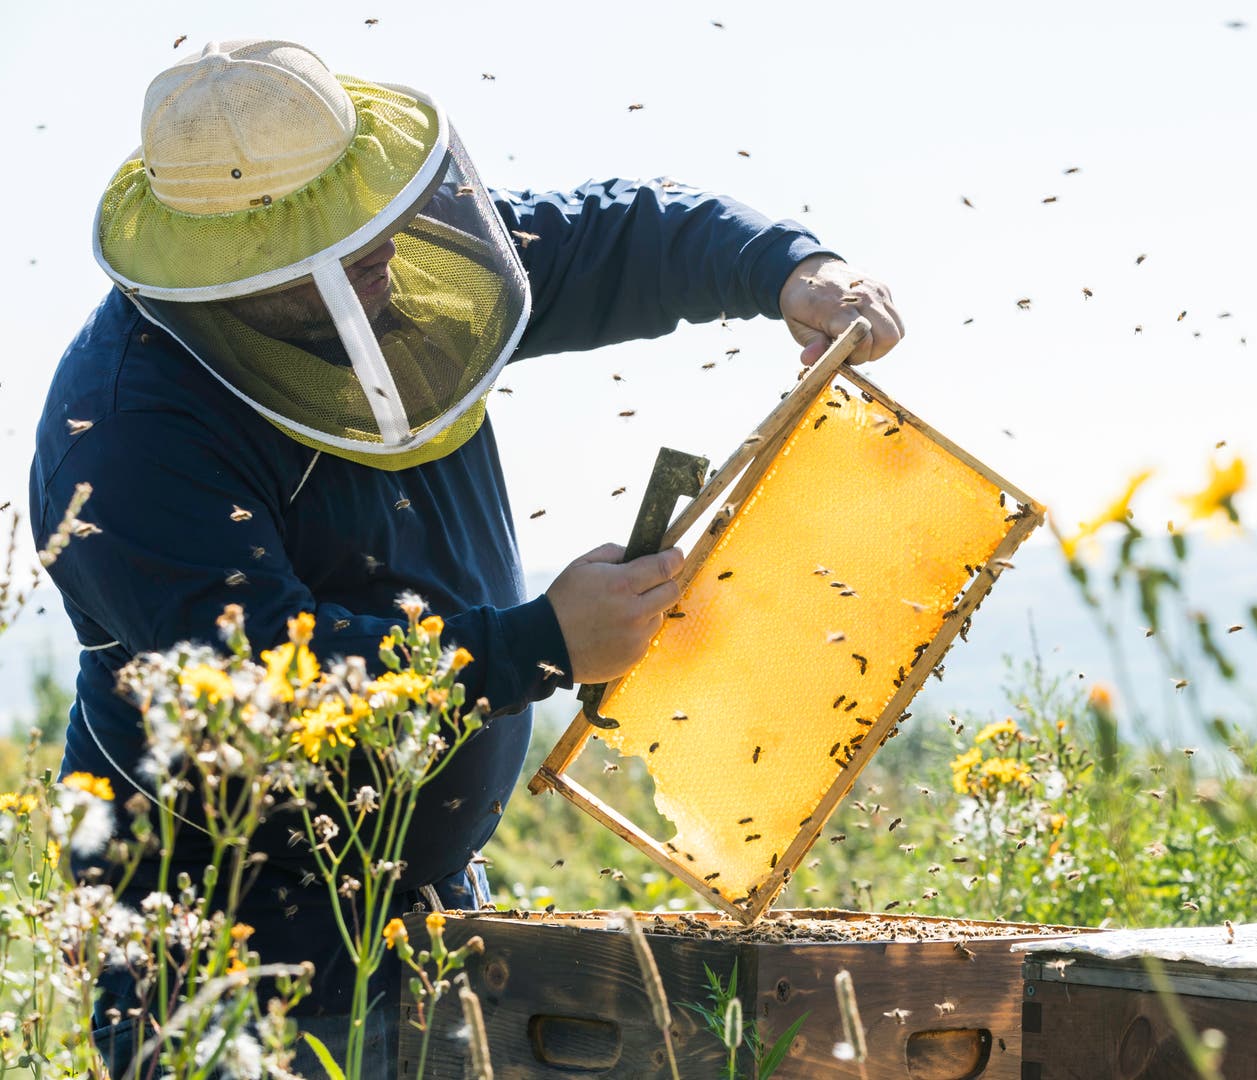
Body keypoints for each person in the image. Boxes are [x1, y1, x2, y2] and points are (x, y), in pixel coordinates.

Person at [29, 38, 903, 1072]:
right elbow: (260, 682)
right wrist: (536, 644)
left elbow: (608, 235)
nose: (384, 260)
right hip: (229, 971)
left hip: (432, 920)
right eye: (346, 253)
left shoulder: (386, 266)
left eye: (377, 226)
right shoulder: (127, 430)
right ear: (240, 273)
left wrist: (791, 267)